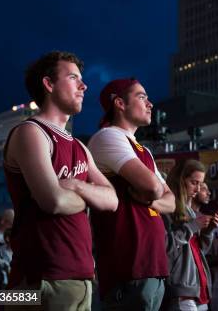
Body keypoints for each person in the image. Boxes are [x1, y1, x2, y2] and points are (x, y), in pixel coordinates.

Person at [3, 51, 119, 309]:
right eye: (73, 77)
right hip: (40, 280)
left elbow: (112, 200)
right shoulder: (31, 133)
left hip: (80, 277)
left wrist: (77, 186)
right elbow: (53, 201)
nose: (84, 85)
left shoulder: (79, 146)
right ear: (49, 84)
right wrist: (90, 196)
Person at [88, 78, 175, 311]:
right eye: (141, 96)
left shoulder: (142, 149)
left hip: (152, 264)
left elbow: (172, 201)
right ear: (120, 103)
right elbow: (155, 188)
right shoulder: (108, 136)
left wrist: (150, 196)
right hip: (129, 266)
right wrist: (154, 194)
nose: (150, 104)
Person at [163, 159, 218, 310]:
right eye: (194, 182)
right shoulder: (167, 209)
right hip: (181, 292)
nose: (197, 189)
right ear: (179, 180)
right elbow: (164, 248)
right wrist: (193, 226)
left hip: (198, 290)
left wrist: (208, 232)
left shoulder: (189, 210)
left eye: (200, 184)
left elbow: (197, 251)